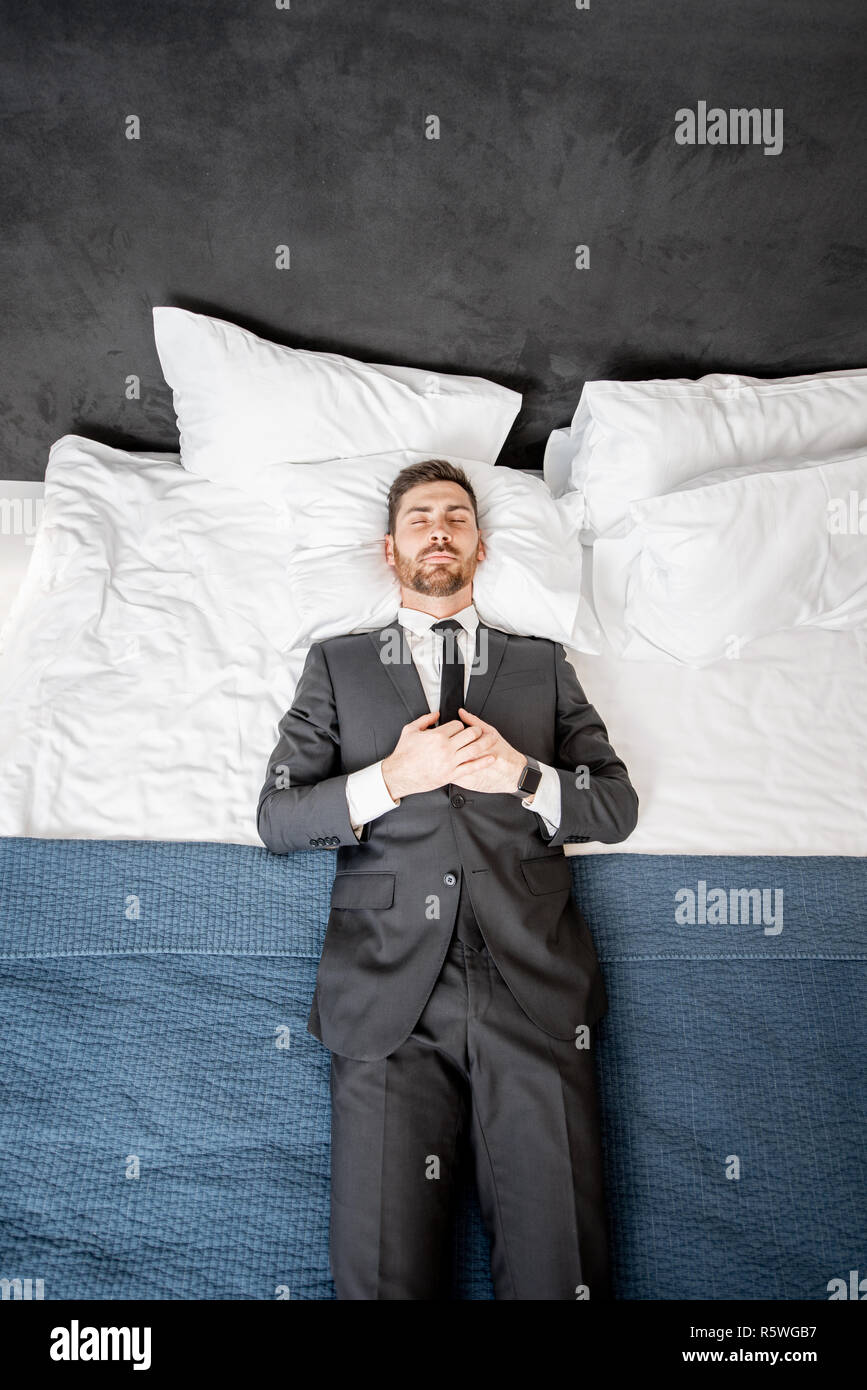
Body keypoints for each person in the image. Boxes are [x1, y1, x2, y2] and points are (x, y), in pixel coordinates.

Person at [257, 457, 639, 1299]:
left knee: (560, 1269)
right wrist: (392, 778)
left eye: (457, 517)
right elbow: (278, 819)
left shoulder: (541, 664)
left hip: (533, 989)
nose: (440, 528)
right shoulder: (336, 664)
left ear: (481, 546)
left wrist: (524, 776)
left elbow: (614, 809)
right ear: (389, 551)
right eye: (420, 517)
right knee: (384, 1272)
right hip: (388, 996)